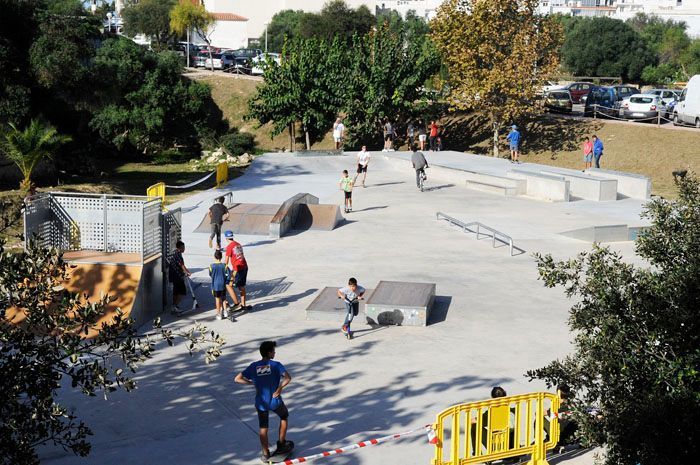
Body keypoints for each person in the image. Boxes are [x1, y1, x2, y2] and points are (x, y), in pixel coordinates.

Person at [234, 341, 293, 463]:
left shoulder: (253, 366)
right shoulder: (276, 365)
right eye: (273, 351)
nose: (275, 353)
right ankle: (281, 444)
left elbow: (237, 379)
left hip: (260, 402)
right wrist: (280, 388)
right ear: (269, 353)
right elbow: (288, 378)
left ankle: (265, 453)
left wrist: (251, 382)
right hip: (275, 401)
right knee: (284, 416)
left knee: (263, 427)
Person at [224, 230, 250, 311]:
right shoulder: (238, 244)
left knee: (228, 285)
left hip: (237, 269)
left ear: (226, 238)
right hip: (244, 267)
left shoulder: (229, 247)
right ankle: (243, 305)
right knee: (241, 286)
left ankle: (236, 304)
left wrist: (223, 270)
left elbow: (226, 262)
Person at [170, 240, 191, 314]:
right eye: (183, 247)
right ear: (179, 248)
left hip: (174, 275)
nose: (184, 249)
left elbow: (181, 265)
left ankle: (173, 306)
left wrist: (186, 271)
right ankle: (175, 306)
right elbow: (181, 265)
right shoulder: (178, 254)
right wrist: (187, 272)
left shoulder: (175, 253)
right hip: (178, 276)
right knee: (182, 291)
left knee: (176, 291)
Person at [209, 249, 231, 321]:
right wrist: (227, 281)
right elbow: (228, 275)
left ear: (214, 257)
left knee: (217, 299)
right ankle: (225, 312)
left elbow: (210, 274)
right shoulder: (224, 266)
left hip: (215, 285)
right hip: (223, 285)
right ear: (221, 257)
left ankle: (219, 314)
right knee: (224, 298)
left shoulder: (211, 266)